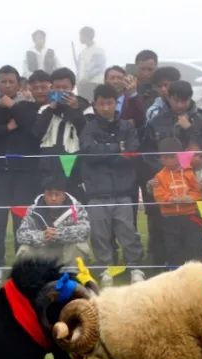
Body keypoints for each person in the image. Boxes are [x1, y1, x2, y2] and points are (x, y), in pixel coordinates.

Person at [0, 65, 39, 278]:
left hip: (24, 173)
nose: (8, 85)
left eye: (12, 82)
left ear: (19, 84)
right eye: (4, 81)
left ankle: (23, 264)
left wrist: (13, 107)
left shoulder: (28, 107)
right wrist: (6, 128)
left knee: (23, 220)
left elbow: (34, 129)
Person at [80, 83, 143, 283]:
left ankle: (135, 267)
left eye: (110, 103)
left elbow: (132, 152)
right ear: (94, 105)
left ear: (116, 103)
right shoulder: (88, 127)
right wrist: (117, 147)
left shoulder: (127, 126)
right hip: (96, 191)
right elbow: (89, 153)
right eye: (101, 103)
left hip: (123, 189)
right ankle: (105, 268)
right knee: (99, 235)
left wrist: (106, 151)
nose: (106, 107)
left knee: (128, 232)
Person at [32, 67, 89, 199]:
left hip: (73, 161)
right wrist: (52, 108)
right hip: (48, 162)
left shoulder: (85, 107)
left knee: (73, 202)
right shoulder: (45, 109)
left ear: (73, 87)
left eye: (65, 87)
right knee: (47, 201)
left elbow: (85, 133)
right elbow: (37, 133)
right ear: (51, 87)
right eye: (57, 87)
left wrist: (74, 109)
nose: (61, 91)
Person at [149, 136, 202, 266]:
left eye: (171, 157)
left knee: (194, 246)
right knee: (173, 249)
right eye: (164, 157)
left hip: (190, 216)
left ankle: (197, 274)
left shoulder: (189, 173)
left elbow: (197, 190)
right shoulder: (159, 177)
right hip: (170, 218)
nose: (167, 160)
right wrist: (172, 199)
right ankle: (174, 272)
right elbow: (159, 196)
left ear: (179, 156)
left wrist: (190, 198)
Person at [14, 173, 92, 265]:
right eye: (50, 194)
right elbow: (21, 234)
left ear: (64, 195)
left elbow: (85, 230)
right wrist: (42, 236)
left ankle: (71, 275)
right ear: (44, 194)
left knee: (80, 246)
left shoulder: (76, 207)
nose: (53, 198)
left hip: (66, 253)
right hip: (44, 251)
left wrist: (58, 234)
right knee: (24, 249)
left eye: (57, 194)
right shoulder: (33, 209)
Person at [105, 65, 146, 129]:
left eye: (119, 78)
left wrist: (133, 93)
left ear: (125, 80)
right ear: (106, 81)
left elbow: (141, 120)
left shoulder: (134, 100)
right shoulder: (99, 102)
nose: (116, 81)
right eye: (112, 78)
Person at [75, 26, 107, 101]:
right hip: (82, 85)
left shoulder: (98, 50)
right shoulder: (83, 52)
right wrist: (78, 81)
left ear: (86, 35)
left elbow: (98, 67)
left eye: (80, 35)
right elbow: (80, 69)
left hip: (93, 83)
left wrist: (86, 78)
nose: (79, 38)